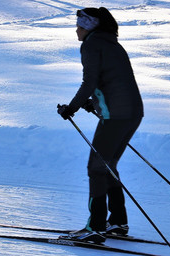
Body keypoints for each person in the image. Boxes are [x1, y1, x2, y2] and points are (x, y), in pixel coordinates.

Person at [57, 7, 143, 243]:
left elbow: (90, 81)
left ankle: (95, 228)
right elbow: (113, 81)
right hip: (133, 112)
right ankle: (117, 223)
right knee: (108, 165)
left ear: (89, 27)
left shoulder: (92, 44)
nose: (76, 29)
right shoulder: (112, 43)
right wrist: (92, 103)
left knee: (96, 168)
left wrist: (71, 108)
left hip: (116, 116)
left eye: (79, 25)